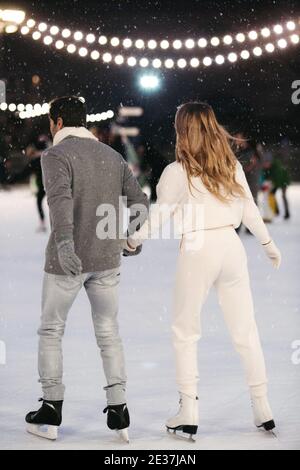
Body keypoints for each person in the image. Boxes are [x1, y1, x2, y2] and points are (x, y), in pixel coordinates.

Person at [127, 102, 281, 439]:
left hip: (198, 247)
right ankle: (262, 405)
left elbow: (160, 215)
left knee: (185, 331)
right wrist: (268, 244)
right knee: (246, 331)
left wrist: (133, 241)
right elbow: (251, 211)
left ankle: (189, 408)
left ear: (183, 131)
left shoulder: (177, 171)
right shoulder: (231, 167)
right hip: (231, 247)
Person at [25, 96, 148, 442]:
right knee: (109, 333)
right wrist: (133, 239)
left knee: (51, 330)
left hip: (68, 261)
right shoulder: (111, 155)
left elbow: (59, 200)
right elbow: (140, 200)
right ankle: (119, 408)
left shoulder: (56, 155)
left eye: (51, 121)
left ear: (58, 121)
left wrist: (64, 243)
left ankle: (51, 408)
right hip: (107, 259)